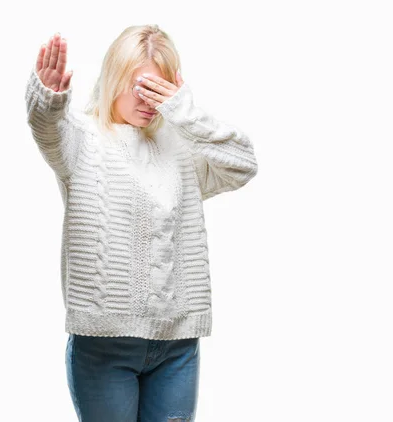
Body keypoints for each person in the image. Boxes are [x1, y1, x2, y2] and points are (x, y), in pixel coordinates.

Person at [24, 24, 258, 422]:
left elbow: (243, 165)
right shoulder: (81, 139)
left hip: (178, 344)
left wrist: (185, 113)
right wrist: (48, 97)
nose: (149, 101)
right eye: (140, 86)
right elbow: (47, 127)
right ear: (114, 77)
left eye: (160, 90)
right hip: (105, 343)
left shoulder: (181, 146)